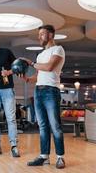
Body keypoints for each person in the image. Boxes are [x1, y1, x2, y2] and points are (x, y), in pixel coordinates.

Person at [23, 25, 66, 169]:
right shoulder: (40, 54)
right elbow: (39, 74)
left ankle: (60, 157)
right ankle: (44, 156)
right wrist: (28, 79)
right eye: (39, 34)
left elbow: (49, 67)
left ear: (51, 35)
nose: (39, 37)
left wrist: (31, 63)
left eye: (42, 34)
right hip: (38, 91)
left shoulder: (58, 49)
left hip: (51, 91)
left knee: (55, 125)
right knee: (42, 126)